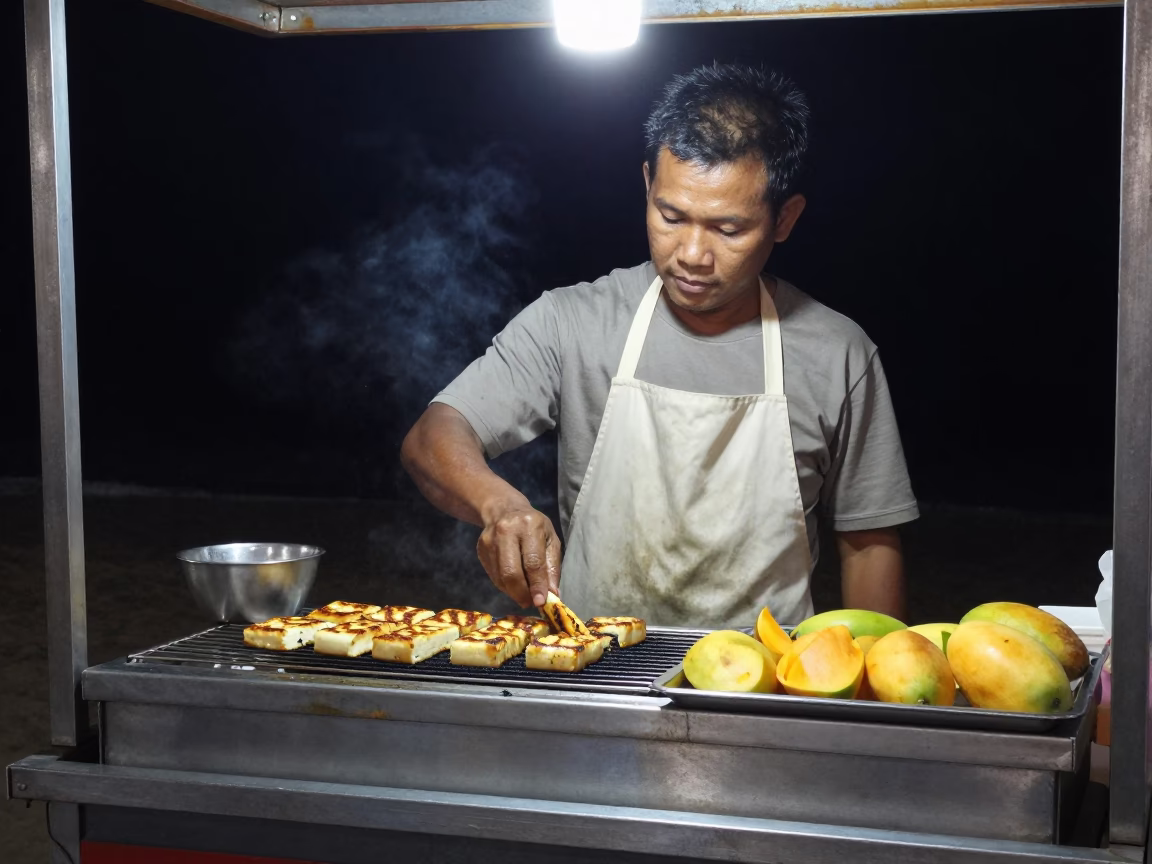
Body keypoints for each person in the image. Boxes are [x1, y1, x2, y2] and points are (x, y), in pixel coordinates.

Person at [401, 63, 918, 628]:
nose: (692, 254)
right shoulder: (573, 323)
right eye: (670, 216)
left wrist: (879, 676)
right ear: (648, 184)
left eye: (728, 229)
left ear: (784, 218)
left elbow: (869, 545)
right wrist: (500, 504)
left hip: (768, 673)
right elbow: (432, 437)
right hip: (595, 663)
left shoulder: (837, 354)